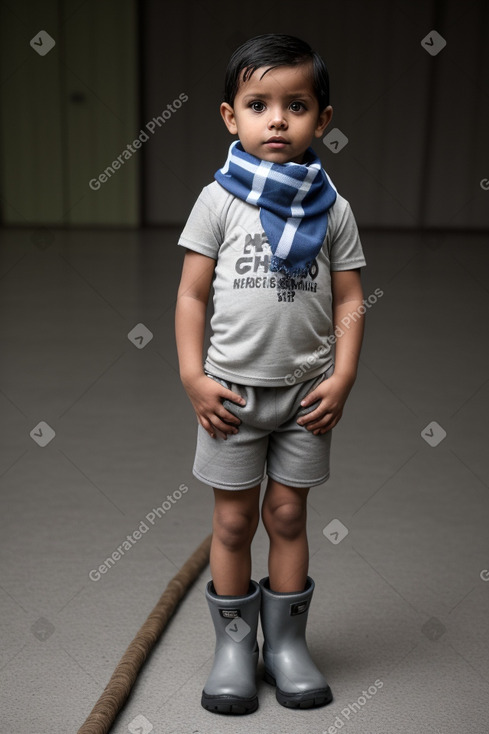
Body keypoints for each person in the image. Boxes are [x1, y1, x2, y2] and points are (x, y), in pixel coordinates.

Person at [175, 33, 366, 715]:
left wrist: (340, 376)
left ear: (322, 118)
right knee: (231, 525)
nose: (277, 119)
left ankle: (285, 646)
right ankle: (234, 648)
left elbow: (348, 300)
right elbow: (192, 295)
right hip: (229, 394)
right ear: (231, 117)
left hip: (304, 395)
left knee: (286, 514)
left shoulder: (332, 208)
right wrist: (194, 379)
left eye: (296, 105)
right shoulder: (218, 201)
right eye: (258, 105)